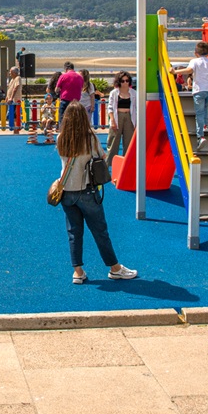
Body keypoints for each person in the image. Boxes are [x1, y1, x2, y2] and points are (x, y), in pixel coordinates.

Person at [55, 102, 137, 285]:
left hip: (66, 190)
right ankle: (114, 268)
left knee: (74, 232)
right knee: (100, 231)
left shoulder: (61, 138)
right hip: (86, 189)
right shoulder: (90, 138)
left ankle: (78, 271)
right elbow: (102, 157)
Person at [105, 71, 137, 166]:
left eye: (127, 81)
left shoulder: (134, 93)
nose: (125, 83)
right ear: (119, 82)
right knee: (113, 141)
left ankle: (127, 163)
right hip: (117, 116)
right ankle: (109, 163)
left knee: (128, 141)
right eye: (123, 81)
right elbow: (110, 107)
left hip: (129, 117)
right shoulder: (114, 93)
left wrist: (136, 123)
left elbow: (136, 108)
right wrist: (112, 121)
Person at [5, 66, 23, 133]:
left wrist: (11, 98)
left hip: (15, 100)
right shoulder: (12, 79)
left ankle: (16, 130)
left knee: (15, 115)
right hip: (11, 101)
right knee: (10, 115)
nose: (9, 73)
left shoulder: (18, 78)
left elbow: (16, 87)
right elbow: (10, 89)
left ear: (14, 73)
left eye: (10, 72)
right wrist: (7, 97)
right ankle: (15, 130)